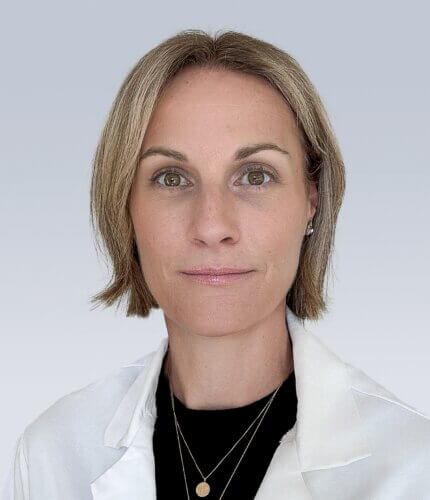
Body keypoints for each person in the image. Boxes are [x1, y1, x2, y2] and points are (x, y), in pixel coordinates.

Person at [2, 28, 430, 500]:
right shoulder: (52, 454)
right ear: (125, 204)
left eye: (255, 176)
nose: (211, 226)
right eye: (171, 178)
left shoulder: (414, 469)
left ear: (312, 198)